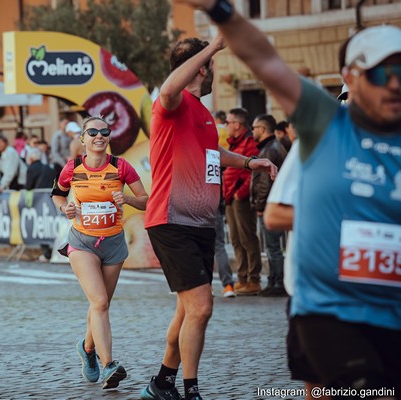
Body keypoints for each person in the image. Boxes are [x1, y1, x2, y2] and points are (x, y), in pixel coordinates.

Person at [181, 0, 401, 395]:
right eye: (382, 73)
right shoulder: (326, 123)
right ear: (351, 77)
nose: (395, 83)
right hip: (331, 311)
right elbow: (264, 59)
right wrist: (219, 10)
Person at [141, 32, 276, 400]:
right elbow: (167, 90)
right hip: (172, 219)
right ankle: (190, 390)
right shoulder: (171, 103)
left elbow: (211, 152)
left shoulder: (200, 113)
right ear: (202, 67)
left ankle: (162, 382)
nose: (214, 69)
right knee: (202, 307)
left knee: (186, 311)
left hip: (200, 222)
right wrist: (214, 45)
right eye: (210, 64)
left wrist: (251, 162)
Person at [51, 115, 149, 390]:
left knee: (100, 304)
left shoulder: (121, 167)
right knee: (100, 302)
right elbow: (58, 194)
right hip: (82, 242)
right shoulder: (72, 168)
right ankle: (109, 365)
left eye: (104, 132)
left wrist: (127, 198)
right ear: (83, 139)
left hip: (114, 243)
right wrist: (64, 208)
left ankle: (87, 348)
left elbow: (145, 200)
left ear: (108, 137)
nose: (99, 135)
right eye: (92, 132)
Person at [222, 107, 263, 296]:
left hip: (240, 198)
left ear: (237, 125)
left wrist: (241, 193)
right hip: (230, 196)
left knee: (247, 237)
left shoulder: (249, 143)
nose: (226, 126)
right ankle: (243, 277)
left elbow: (252, 170)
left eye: (228, 122)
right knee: (237, 239)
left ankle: (254, 279)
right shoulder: (234, 143)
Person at [250, 114, 287, 297]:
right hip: (273, 202)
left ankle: (278, 281)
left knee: (273, 247)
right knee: (273, 246)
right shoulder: (272, 147)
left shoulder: (269, 150)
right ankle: (274, 280)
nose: (253, 131)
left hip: (269, 204)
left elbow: (265, 183)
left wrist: (259, 205)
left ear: (262, 130)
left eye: (255, 128)